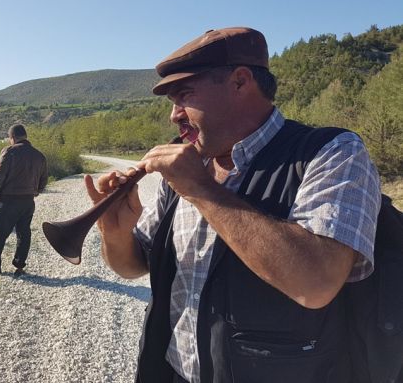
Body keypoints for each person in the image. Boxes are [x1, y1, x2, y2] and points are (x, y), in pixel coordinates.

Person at [84, 27, 381, 382]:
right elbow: (133, 266)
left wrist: (201, 188)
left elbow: (317, 282)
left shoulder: (332, 152)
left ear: (240, 82)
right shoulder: (190, 166)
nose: (174, 115)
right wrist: (116, 234)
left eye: (185, 95)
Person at [0, 124, 48, 276]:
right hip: (28, 202)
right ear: (25, 136)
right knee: (24, 233)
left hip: (8, 200)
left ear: (12, 137)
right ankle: (19, 266)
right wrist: (35, 191)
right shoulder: (39, 156)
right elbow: (44, 180)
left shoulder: (9, 151)